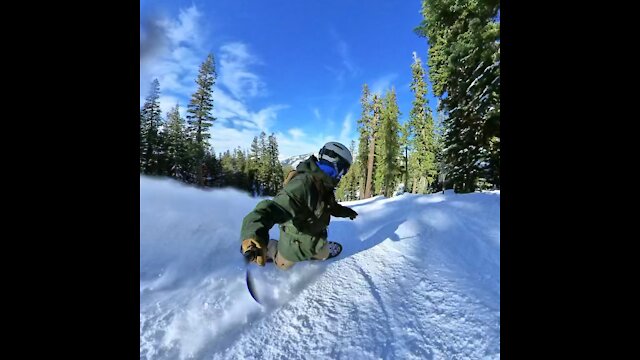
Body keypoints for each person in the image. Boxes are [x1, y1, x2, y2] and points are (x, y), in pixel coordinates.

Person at [240, 141, 358, 270]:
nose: (342, 175)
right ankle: (270, 248)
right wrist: (253, 235)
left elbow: (330, 206)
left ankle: (314, 253)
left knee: (323, 254)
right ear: (336, 166)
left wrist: (346, 212)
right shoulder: (302, 185)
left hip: (315, 239)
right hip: (294, 243)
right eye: (344, 170)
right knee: (283, 266)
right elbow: (271, 209)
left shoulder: (324, 184)